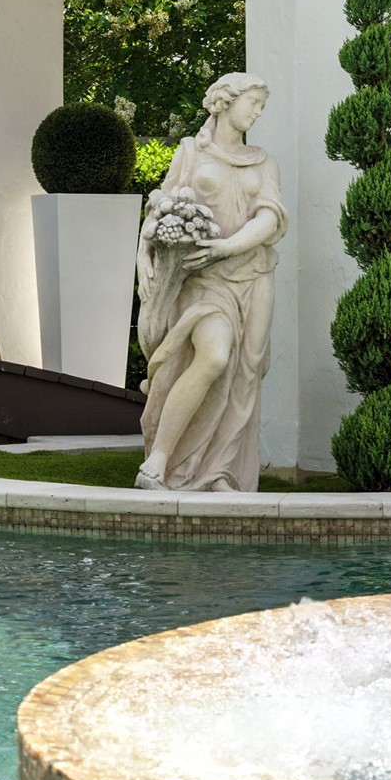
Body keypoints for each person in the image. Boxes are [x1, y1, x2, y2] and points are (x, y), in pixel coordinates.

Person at [134, 73, 285, 491]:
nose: (257, 112)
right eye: (253, 103)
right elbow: (160, 210)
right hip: (203, 278)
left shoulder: (264, 162)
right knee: (215, 356)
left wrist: (228, 247)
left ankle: (217, 470)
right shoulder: (190, 152)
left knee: (244, 375)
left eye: (261, 106)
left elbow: (269, 218)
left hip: (254, 277)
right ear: (226, 102)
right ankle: (160, 459)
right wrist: (143, 255)